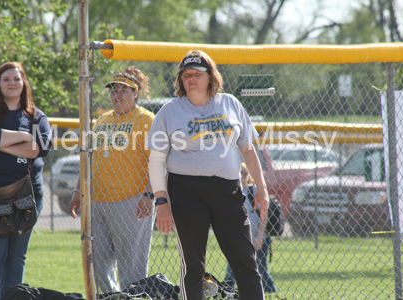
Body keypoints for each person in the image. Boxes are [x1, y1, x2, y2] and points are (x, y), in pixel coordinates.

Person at [147, 50, 269, 300]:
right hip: (186, 192)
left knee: (245, 262)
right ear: (180, 80)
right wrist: (161, 201)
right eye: (186, 75)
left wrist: (263, 189)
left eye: (198, 74)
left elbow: (248, 150)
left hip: (228, 191)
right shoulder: (170, 111)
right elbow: (156, 160)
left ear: (211, 77)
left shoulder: (230, 103)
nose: (191, 79)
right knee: (193, 266)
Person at [0, 62, 52, 300]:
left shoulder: (36, 115)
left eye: (17, 78)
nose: (12, 83)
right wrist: (25, 138)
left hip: (27, 195)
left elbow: (43, 146)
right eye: (6, 79)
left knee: (16, 258)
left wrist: (1, 144)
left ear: (24, 82)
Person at [69, 66, 156, 293]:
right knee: (98, 266)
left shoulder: (146, 120)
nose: (116, 96)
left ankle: (134, 298)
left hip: (131, 201)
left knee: (132, 269)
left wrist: (149, 195)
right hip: (97, 203)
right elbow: (88, 160)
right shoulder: (102, 120)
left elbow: (158, 162)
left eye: (123, 91)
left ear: (135, 94)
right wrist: (78, 192)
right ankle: (112, 298)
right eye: (113, 91)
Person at [224, 162, 277, 293]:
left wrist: (260, 237)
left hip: (257, 239)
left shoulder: (252, 191)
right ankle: (226, 293)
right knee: (232, 269)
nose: (242, 176)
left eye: (245, 173)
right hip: (239, 240)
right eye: (239, 172)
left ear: (249, 175)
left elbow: (264, 215)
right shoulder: (232, 192)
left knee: (261, 270)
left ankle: (271, 293)